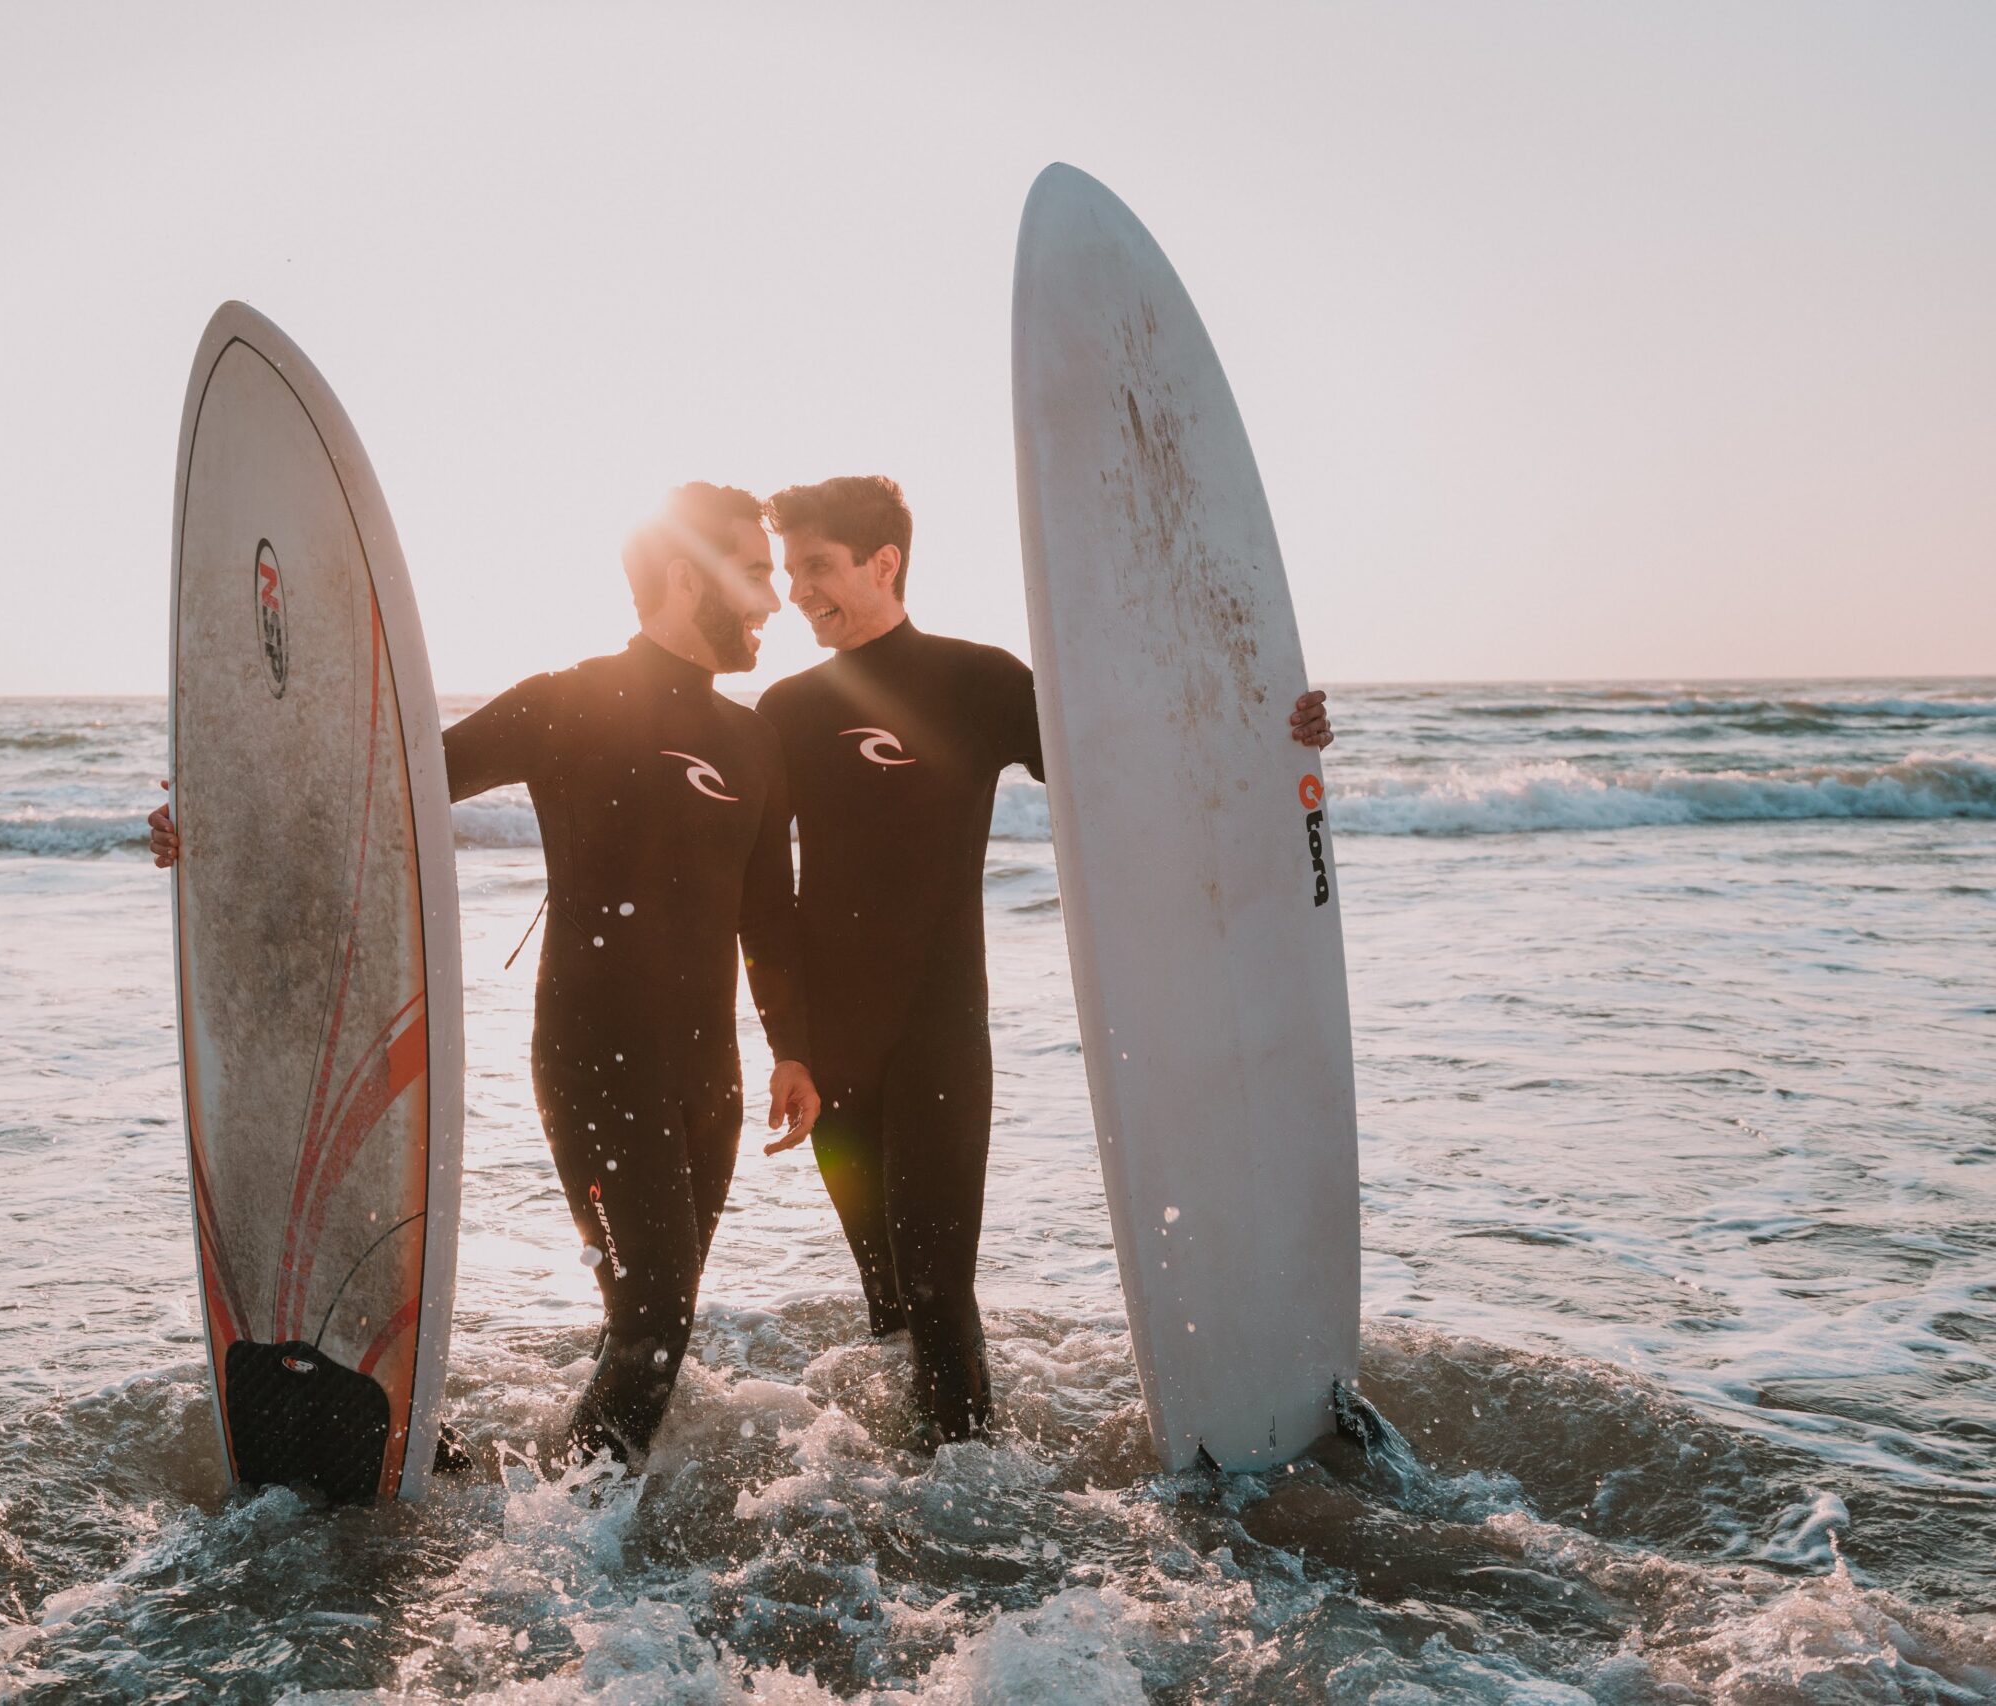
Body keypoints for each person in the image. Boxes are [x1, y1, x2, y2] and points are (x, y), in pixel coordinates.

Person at [151, 482, 820, 1466]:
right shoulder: (570, 701)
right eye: (756, 571)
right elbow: (384, 790)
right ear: (687, 574)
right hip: (596, 1060)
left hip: (706, 1081)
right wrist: (210, 812)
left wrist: (792, 1048)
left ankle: (536, 1493)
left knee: (647, 1323)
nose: (773, 599)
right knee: (656, 1321)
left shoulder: (755, 741)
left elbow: (768, 913)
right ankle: (580, 1540)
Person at [754, 475, 1333, 1447]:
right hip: (831, 1055)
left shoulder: (974, 682)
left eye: (815, 566)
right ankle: (896, 1519)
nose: (795, 589)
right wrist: (787, 1045)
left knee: (939, 1288)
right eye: (786, 570)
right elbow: (763, 896)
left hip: (938, 1032)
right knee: (887, 1299)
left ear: (880, 560)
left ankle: (972, 1509)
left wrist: (1273, 730)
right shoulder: (784, 708)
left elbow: (1130, 766)